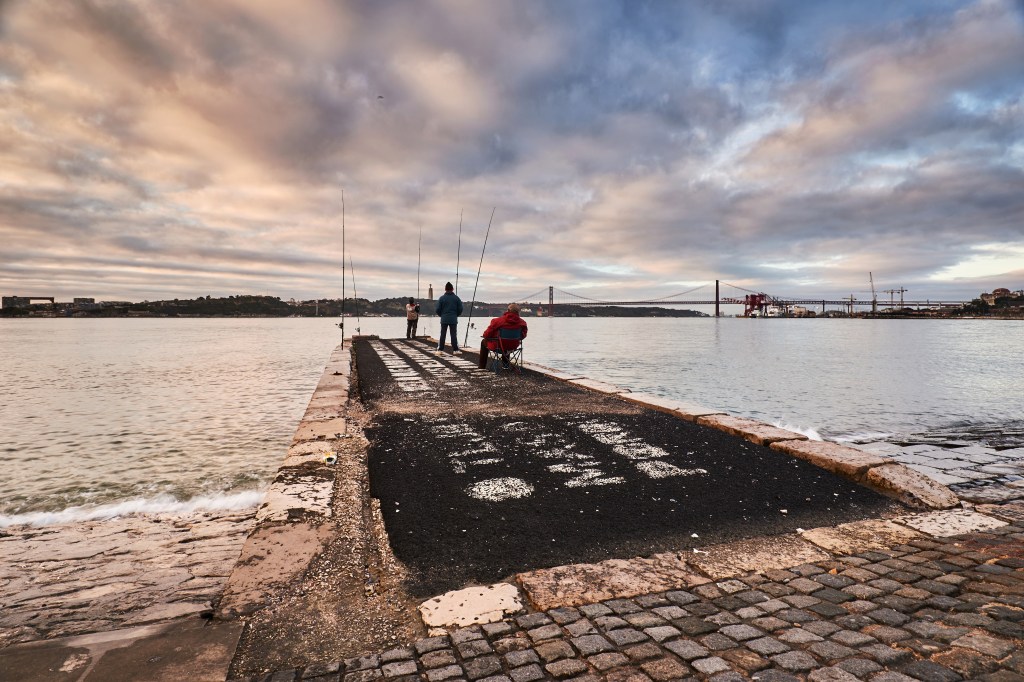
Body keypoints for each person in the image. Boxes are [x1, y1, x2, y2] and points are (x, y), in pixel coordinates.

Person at [479, 303, 528, 368]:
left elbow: (486, 335)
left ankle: (482, 367)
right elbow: (523, 336)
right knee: (508, 342)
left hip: (498, 346)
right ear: (518, 312)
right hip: (512, 347)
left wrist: (491, 337)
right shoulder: (522, 323)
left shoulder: (497, 321)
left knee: (483, 342)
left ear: (507, 310)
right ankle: (505, 366)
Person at [434, 282, 463, 354]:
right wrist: (456, 314)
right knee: (453, 334)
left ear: (445, 289)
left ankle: (440, 349)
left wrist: (442, 315)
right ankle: (455, 350)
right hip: (453, 319)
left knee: (443, 334)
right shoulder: (456, 298)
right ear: (452, 289)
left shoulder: (441, 298)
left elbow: (437, 309)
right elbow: (460, 309)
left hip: (444, 319)